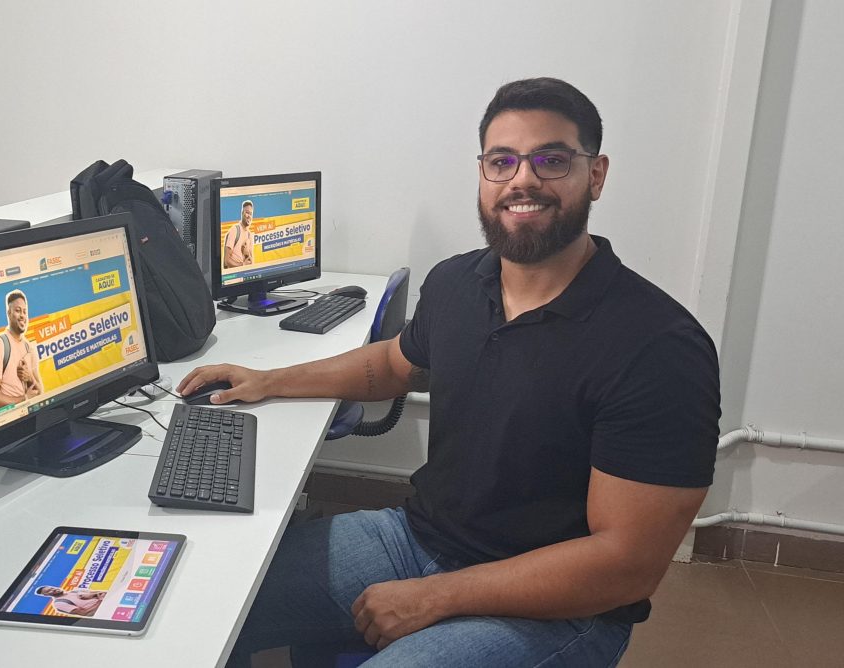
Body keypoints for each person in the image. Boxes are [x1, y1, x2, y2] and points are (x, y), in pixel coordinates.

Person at [179, 78, 720, 667]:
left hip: (560, 608)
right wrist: (269, 380)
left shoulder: (659, 347)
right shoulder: (459, 281)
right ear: (483, 173)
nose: (523, 180)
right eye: (502, 161)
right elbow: (394, 363)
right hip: (418, 539)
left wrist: (434, 597)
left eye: (551, 160)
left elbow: (626, 566)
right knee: (201, 596)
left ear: (596, 174)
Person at [0, 289, 44, 410]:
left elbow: (40, 392)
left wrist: (30, 377)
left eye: (25, 311)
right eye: (18, 310)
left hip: (31, 414)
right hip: (10, 418)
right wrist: (25, 399)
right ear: (9, 313)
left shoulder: (29, 348)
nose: (22, 315)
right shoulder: (0, 343)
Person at [34, 586, 105, 617]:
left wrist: (93, 595)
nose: (53, 589)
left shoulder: (75, 590)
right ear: (46, 595)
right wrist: (100, 600)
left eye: (52, 588)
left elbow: (103, 593)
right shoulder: (59, 603)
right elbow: (85, 613)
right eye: (49, 591)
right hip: (103, 612)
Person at [223, 200, 255, 268]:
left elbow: (251, 261)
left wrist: (247, 254)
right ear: (242, 213)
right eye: (247, 212)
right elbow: (226, 261)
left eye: (251, 214)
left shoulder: (250, 235)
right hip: (234, 273)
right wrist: (243, 265)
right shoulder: (235, 230)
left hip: (246, 273)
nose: (249, 216)